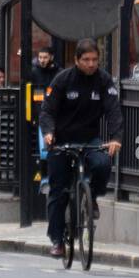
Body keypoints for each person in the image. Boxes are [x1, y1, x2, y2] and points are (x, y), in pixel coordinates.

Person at [39, 38, 123, 258]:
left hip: (89, 139)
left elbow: (114, 111)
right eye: (86, 60)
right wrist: (48, 132)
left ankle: (92, 196)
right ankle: (57, 240)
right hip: (61, 140)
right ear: (76, 60)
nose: (91, 64)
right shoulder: (62, 80)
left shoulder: (104, 81)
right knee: (58, 191)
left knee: (103, 163)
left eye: (95, 59)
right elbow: (47, 111)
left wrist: (116, 138)